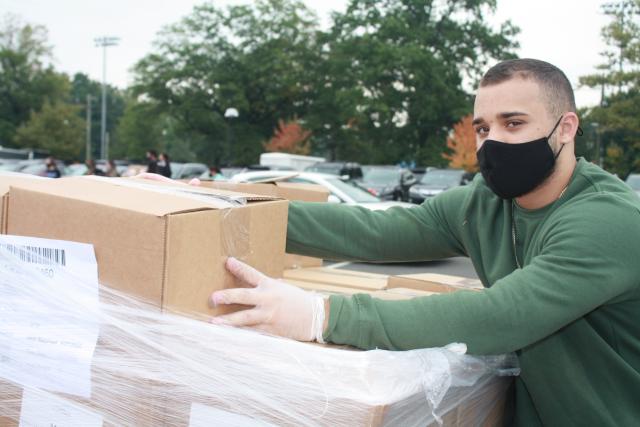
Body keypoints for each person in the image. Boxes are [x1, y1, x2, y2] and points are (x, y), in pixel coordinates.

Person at [207, 59, 640, 426]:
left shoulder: (609, 219)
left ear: (566, 128)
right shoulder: (486, 203)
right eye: (483, 128)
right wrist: (220, 204)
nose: (494, 142)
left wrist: (322, 316)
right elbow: (375, 232)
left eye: (514, 123)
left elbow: (501, 317)